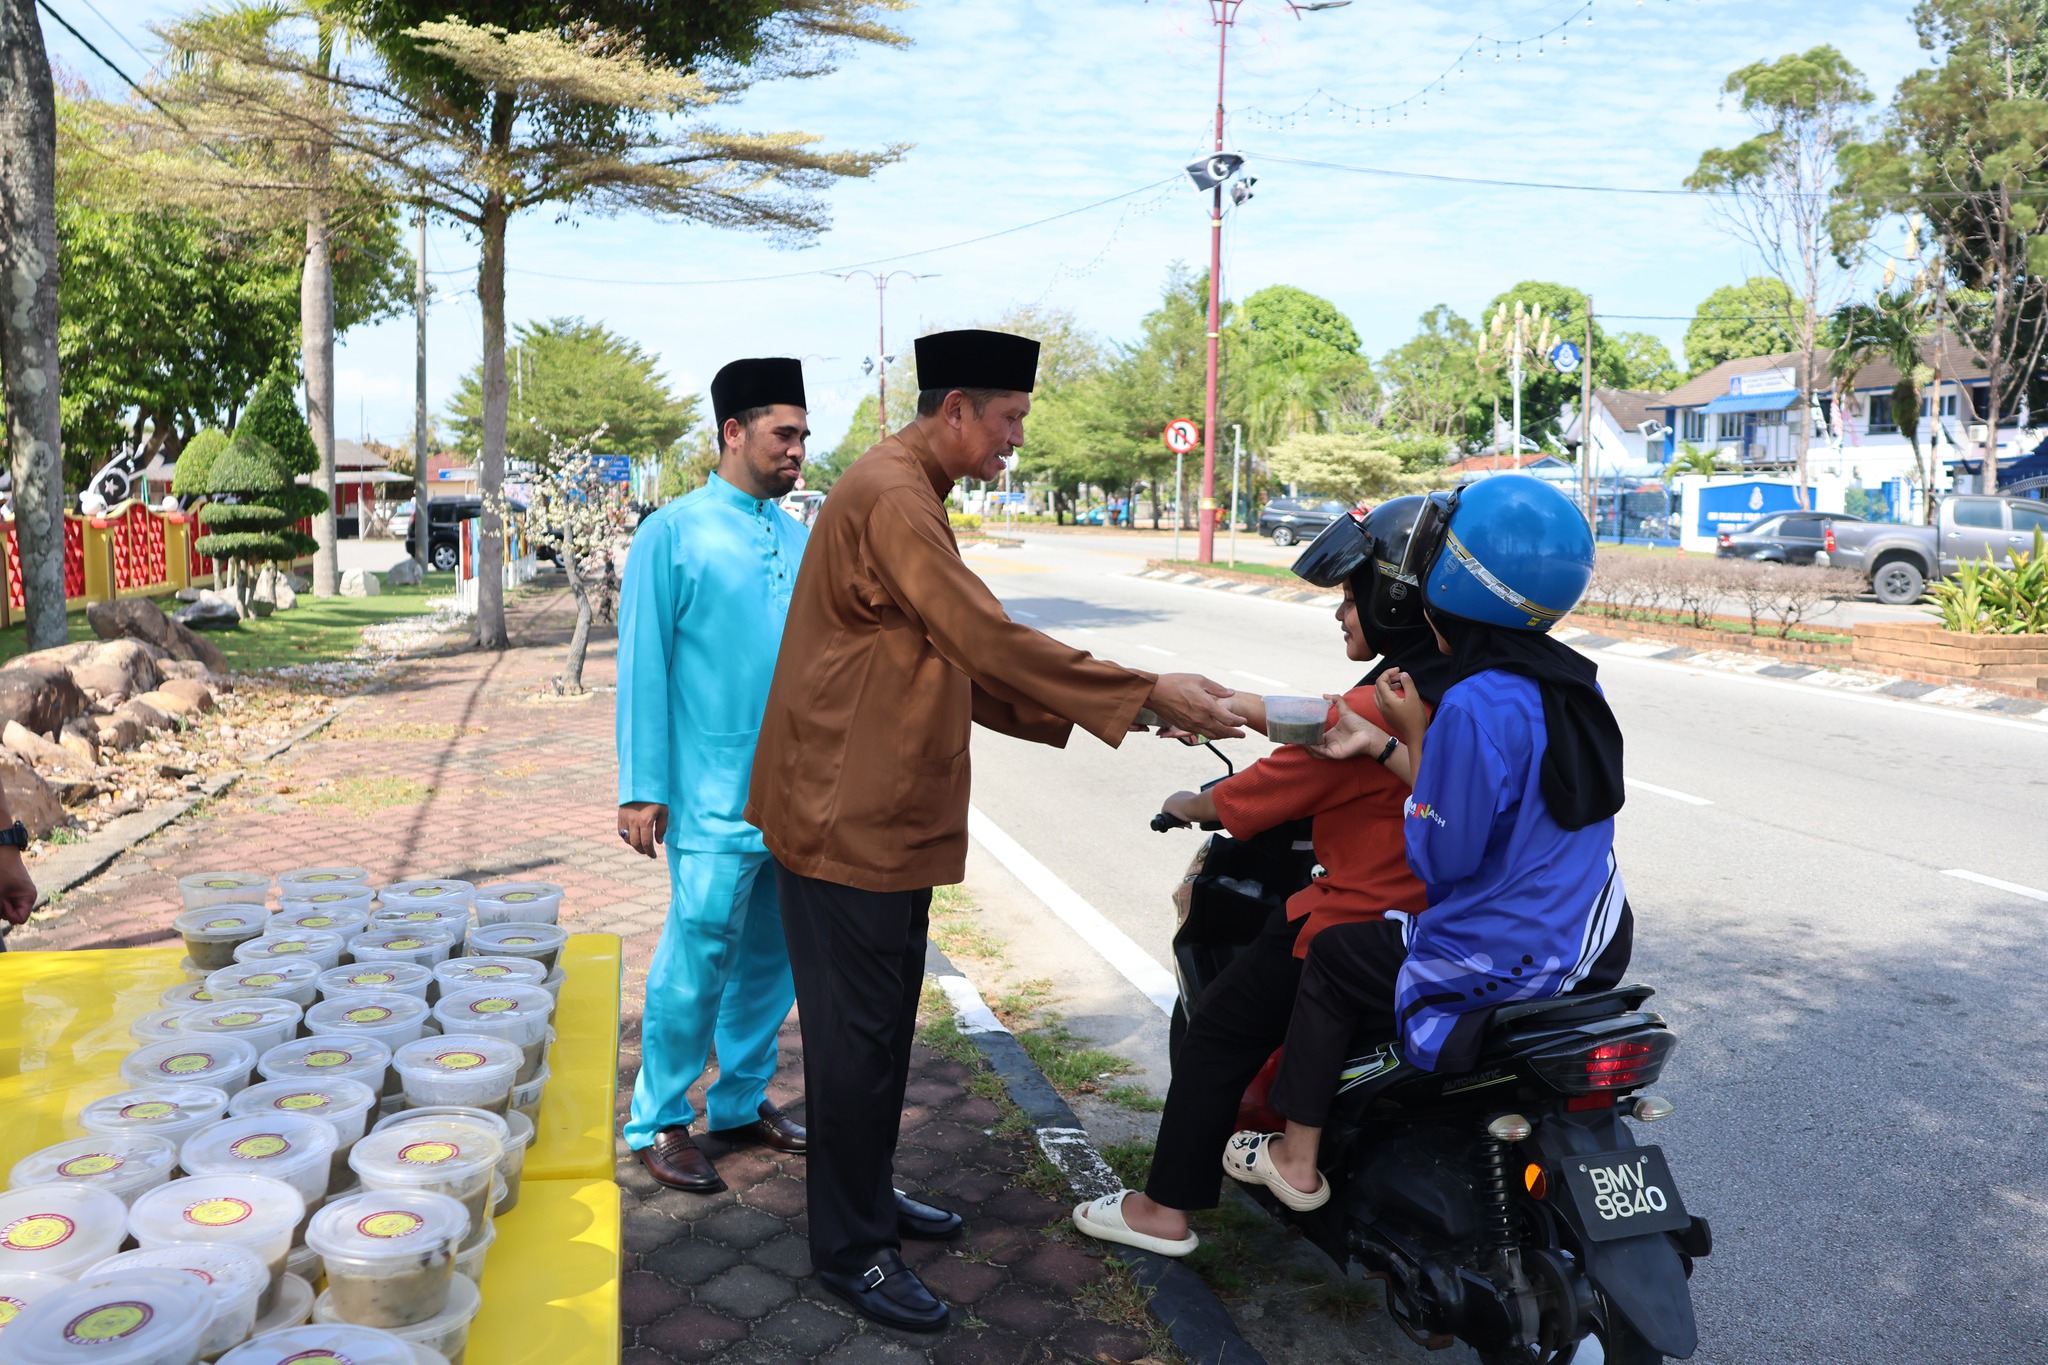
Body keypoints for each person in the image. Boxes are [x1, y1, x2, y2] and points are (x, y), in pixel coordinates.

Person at [746, 328, 1248, 1333]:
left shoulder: (908, 489)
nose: (1017, 437)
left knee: (879, 1036)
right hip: (847, 820)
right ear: (956, 409)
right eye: (1009, 418)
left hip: (878, 816)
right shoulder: (894, 493)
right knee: (853, 1046)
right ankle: (851, 1249)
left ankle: (866, 1199)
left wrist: (1129, 708)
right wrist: (1142, 688)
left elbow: (953, 660)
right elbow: (981, 635)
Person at [1220, 474, 1635, 1208]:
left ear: (1448, 583)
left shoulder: (1473, 702)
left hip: (1502, 953)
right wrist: (1391, 748)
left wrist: (1413, 732)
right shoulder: (1574, 685)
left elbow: (1444, 855)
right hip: (1592, 939)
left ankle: (1297, 1157)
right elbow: (1515, 808)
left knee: (1336, 955)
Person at [1071, 499, 1458, 1256]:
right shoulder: (1467, 689)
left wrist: (1188, 803)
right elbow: (1316, 713)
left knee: (1217, 1030)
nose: (1340, 613)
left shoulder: (1381, 705)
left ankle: (1163, 1209)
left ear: (1391, 598)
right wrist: (1229, 704)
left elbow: (1261, 789)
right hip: (1455, 924)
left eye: (1350, 596)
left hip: (1359, 913)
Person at [616, 357, 814, 1193]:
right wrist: (641, 785)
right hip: (707, 792)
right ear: (733, 431)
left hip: (794, 797)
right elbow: (642, 663)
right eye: (784, 433)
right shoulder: (672, 532)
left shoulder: (800, 537)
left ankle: (737, 1101)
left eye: (803, 435)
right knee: (696, 957)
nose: (797, 449)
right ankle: (658, 1117)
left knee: (773, 960)